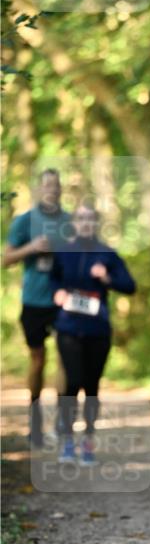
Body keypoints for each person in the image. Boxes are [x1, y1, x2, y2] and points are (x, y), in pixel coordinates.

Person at [50, 202, 136, 464]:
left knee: (91, 387)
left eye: (90, 218)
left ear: (96, 223)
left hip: (97, 330)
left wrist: (107, 278)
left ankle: (87, 442)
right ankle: (66, 441)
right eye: (81, 218)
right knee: (71, 382)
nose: (86, 223)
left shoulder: (107, 253)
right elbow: (52, 279)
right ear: (74, 223)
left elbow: (130, 286)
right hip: (67, 327)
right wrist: (58, 292)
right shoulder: (63, 252)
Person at [3, 169, 72, 447]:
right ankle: (34, 421)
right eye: (47, 186)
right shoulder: (25, 222)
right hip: (33, 301)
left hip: (62, 300)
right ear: (38, 190)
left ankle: (61, 423)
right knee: (38, 359)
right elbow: (5, 259)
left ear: (61, 190)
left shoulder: (70, 221)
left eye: (56, 186)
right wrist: (31, 248)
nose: (52, 191)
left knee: (65, 359)